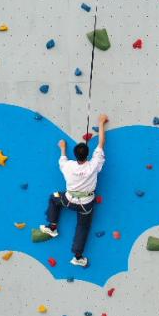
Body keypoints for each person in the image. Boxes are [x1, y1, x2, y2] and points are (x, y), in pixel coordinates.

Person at [39, 114, 109, 267]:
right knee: (82, 227)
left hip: (68, 200)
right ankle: (77, 257)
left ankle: (52, 227)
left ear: (76, 155)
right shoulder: (94, 165)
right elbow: (101, 143)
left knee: (53, 198)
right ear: (88, 155)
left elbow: (62, 158)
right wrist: (101, 123)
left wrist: (63, 147)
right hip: (86, 205)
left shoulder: (68, 166)